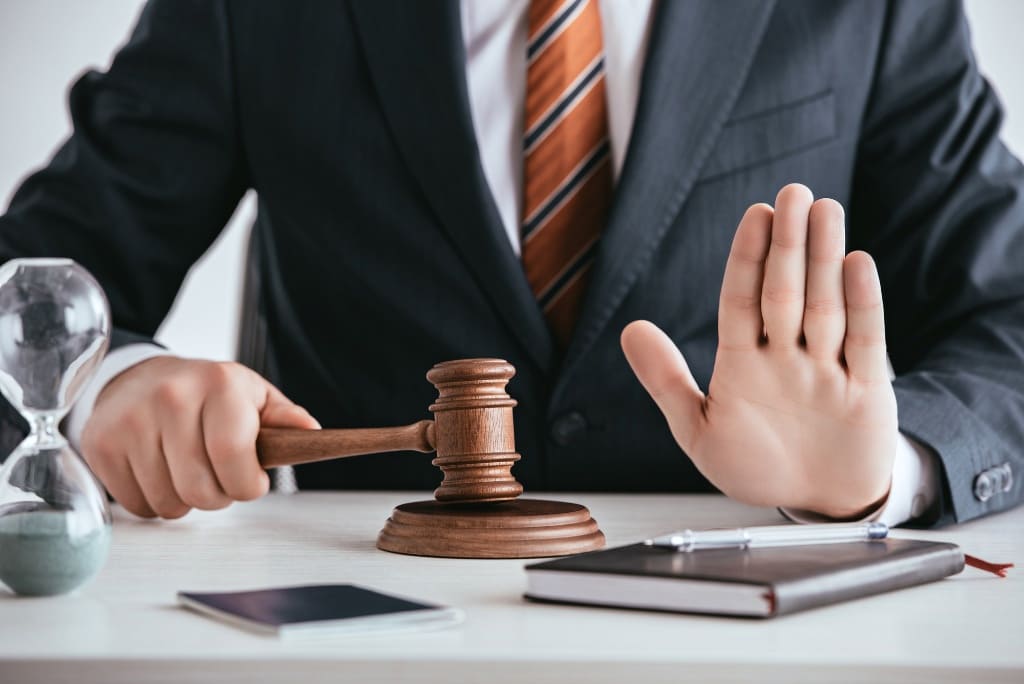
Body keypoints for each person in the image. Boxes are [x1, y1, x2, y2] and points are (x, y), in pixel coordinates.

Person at [1, 0, 1021, 527]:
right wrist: (102, 386)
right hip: (362, 635)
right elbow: (26, 277)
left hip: (746, 630)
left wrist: (886, 470)